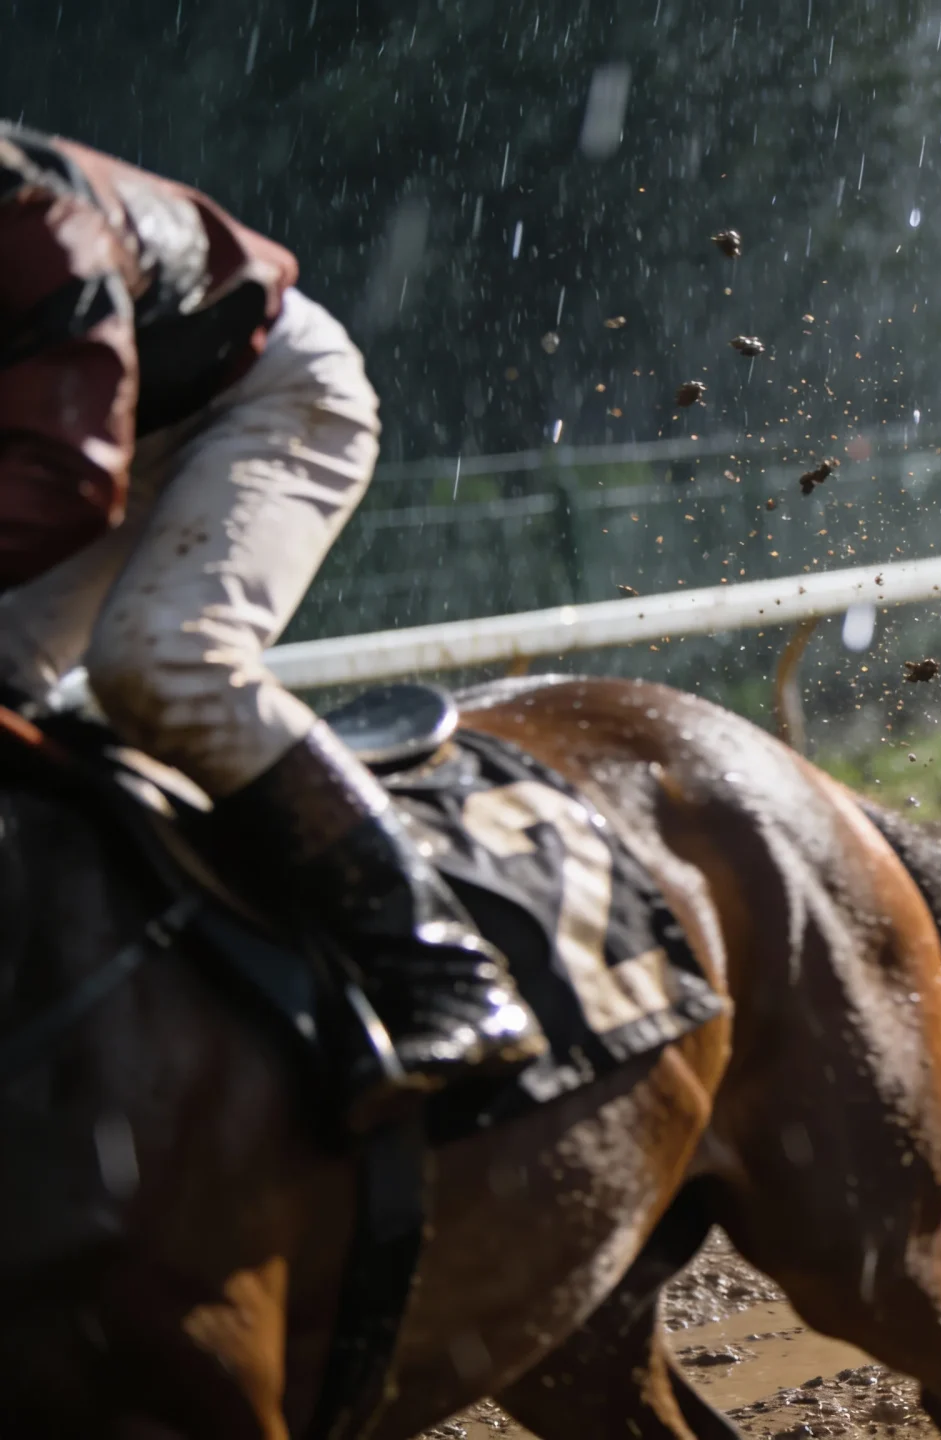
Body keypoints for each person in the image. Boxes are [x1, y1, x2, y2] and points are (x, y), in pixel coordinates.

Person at [0, 122, 545, 1108]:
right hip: (88, 424)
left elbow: (69, 478)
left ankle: (446, 971)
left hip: (257, 397)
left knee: (162, 660)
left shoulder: (34, 219)